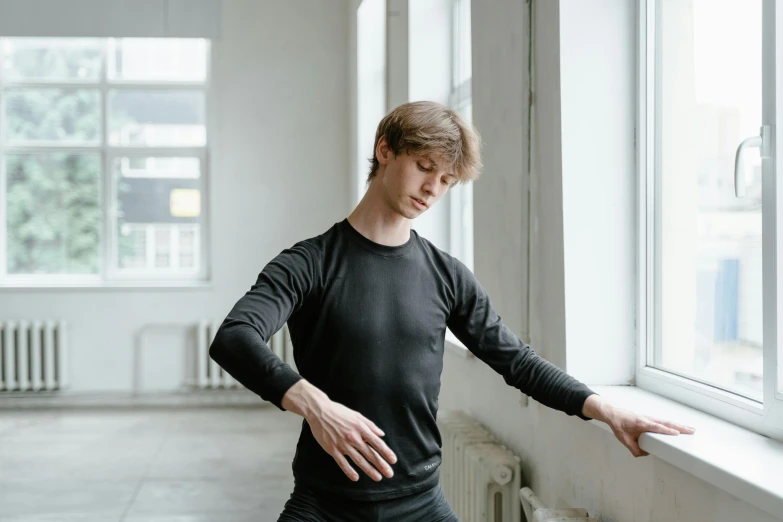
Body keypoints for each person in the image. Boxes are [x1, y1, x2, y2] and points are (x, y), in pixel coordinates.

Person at [209, 101, 696, 522]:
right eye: (424, 166)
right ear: (385, 150)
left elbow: (516, 361)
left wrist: (603, 409)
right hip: (326, 502)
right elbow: (235, 337)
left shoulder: (446, 274)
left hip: (420, 503)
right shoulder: (310, 262)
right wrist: (316, 406)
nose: (432, 189)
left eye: (446, 180)